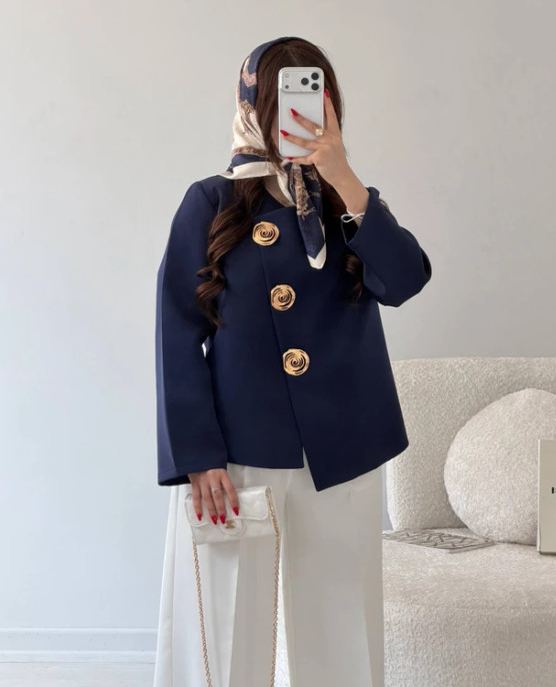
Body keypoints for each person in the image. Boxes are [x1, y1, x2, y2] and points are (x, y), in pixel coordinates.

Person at [153, 36, 432, 687]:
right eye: (282, 99)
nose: (296, 114)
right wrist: (197, 455)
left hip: (344, 448)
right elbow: (176, 332)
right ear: (254, 106)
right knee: (222, 635)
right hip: (238, 452)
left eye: (312, 97)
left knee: (343, 637)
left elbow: (404, 281)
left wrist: (343, 176)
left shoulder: (348, 205)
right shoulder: (211, 202)